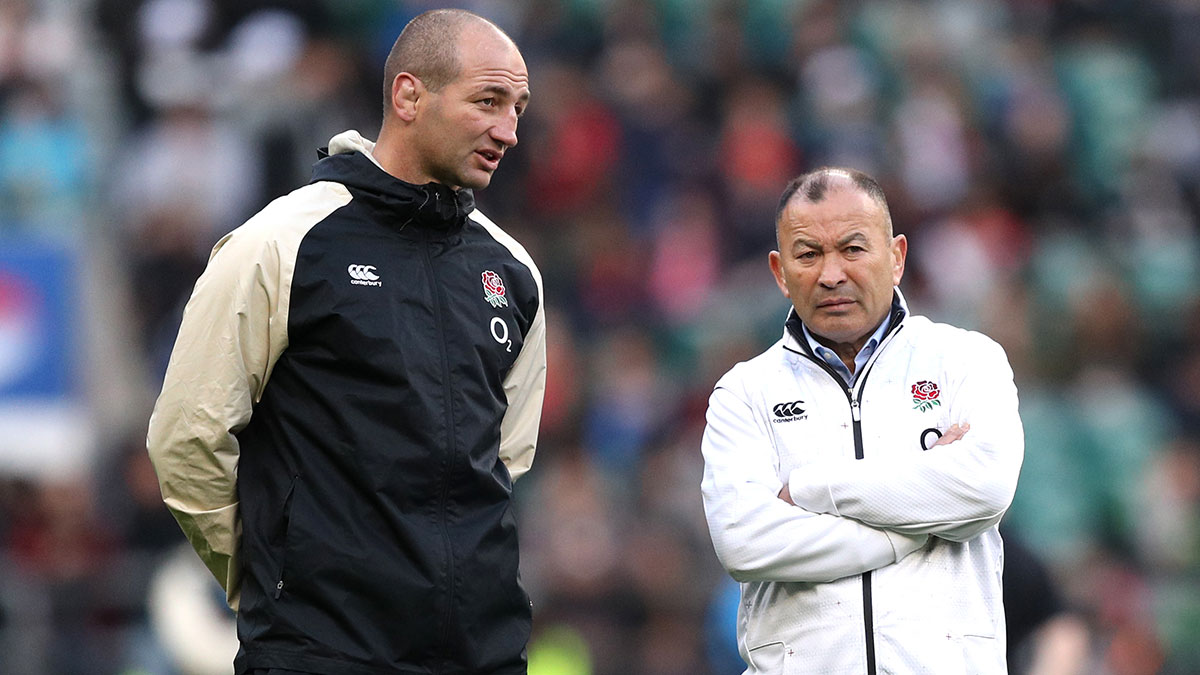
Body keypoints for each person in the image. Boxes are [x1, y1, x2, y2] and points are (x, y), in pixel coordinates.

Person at [146, 9, 545, 675]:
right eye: (488, 101)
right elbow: (186, 439)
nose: (507, 130)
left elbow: (506, 463)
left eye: (517, 108)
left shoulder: (514, 272)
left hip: (482, 654)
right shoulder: (280, 243)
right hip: (319, 651)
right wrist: (277, 583)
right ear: (409, 95)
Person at [700, 167, 1024, 674]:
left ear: (895, 257)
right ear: (779, 272)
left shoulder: (968, 359)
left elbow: (985, 488)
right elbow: (744, 541)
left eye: (852, 249)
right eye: (808, 254)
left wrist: (809, 490)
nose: (831, 274)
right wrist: (917, 523)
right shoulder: (743, 394)